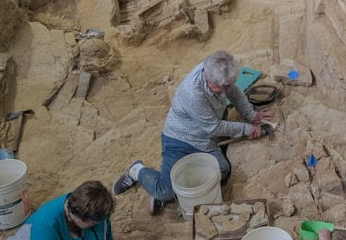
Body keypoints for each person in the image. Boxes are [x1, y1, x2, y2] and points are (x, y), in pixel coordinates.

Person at [113, 50, 272, 211]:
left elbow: (233, 91)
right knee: (165, 191)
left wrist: (250, 114)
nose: (226, 89)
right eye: (222, 86)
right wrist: (247, 129)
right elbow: (214, 127)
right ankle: (138, 171)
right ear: (208, 78)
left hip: (205, 133)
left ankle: (178, 182)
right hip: (180, 139)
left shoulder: (215, 70)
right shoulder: (193, 93)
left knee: (222, 170)